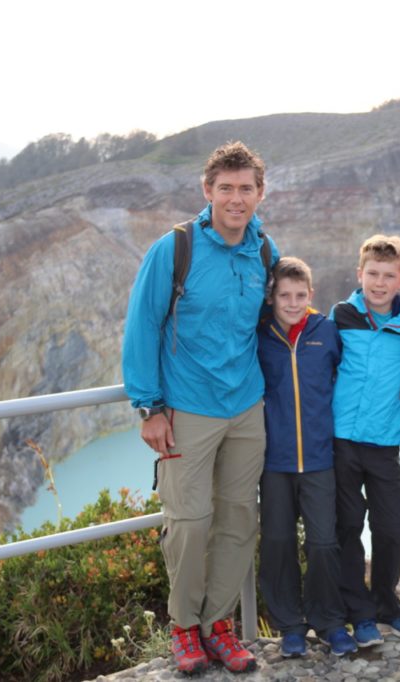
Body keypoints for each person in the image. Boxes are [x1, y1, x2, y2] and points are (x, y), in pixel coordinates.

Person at [121, 141, 278, 675]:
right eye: (226, 188)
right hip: (186, 409)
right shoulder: (176, 248)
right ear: (207, 191)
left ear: (260, 193)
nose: (237, 198)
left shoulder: (263, 250)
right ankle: (184, 627)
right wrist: (150, 408)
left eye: (246, 189)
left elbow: (275, 320)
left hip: (246, 406)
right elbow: (142, 325)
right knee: (188, 523)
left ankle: (219, 625)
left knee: (238, 521)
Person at [256, 257, 358, 658]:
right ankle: (290, 626)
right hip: (274, 462)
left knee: (323, 543)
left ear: (311, 296)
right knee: (278, 542)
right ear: (273, 297)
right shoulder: (259, 335)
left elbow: (356, 370)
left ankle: (329, 621)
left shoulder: (327, 332)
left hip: (318, 458)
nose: (292, 303)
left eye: (300, 295)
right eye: (284, 296)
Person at [330, 235, 400, 647]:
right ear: (360, 274)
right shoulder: (341, 315)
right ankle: (360, 614)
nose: (380, 283)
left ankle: (387, 604)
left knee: (391, 528)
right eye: (373, 274)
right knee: (348, 527)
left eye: (389, 276)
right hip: (342, 440)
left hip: (386, 443)